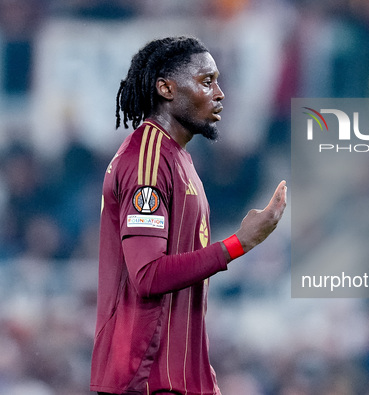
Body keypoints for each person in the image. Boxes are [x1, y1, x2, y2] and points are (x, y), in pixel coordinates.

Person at [90, 36, 287, 395]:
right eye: (207, 81)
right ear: (166, 88)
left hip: (173, 377)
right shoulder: (146, 162)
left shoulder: (178, 158)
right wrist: (238, 244)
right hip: (145, 378)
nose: (220, 93)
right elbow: (147, 276)